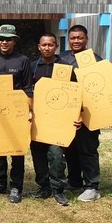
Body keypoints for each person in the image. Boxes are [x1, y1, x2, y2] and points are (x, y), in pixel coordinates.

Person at [0, 25, 33, 203]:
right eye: (1, 39)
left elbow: (28, 87)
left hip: (17, 111)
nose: (4, 42)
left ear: (14, 41)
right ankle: (0, 183)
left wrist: (30, 110)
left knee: (17, 149)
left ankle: (16, 186)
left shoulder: (23, 60)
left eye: (8, 39)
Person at [59, 25, 103, 202]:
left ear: (86, 39)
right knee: (69, 148)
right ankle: (74, 180)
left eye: (79, 38)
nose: (76, 41)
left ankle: (92, 186)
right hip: (67, 112)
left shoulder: (95, 60)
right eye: (72, 38)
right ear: (68, 39)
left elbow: (101, 88)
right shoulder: (61, 58)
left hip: (88, 113)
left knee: (88, 150)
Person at [29, 33, 70, 206]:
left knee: (56, 155)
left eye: (51, 45)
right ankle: (44, 186)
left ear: (56, 47)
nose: (47, 48)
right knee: (38, 154)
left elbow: (74, 92)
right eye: (44, 45)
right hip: (37, 119)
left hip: (58, 120)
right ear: (39, 46)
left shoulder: (65, 67)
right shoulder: (31, 67)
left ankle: (58, 189)